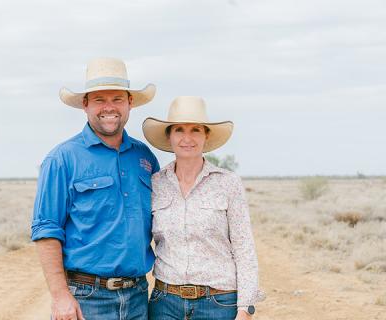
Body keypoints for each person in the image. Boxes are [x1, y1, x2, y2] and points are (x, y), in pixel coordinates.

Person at [31, 57, 160, 320]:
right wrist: (60, 296)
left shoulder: (144, 157)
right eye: (100, 100)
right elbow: (46, 231)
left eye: (117, 99)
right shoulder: (62, 159)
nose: (109, 107)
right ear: (85, 105)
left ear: (129, 103)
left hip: (137, 296)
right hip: (86, 299)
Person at [142, 96, 263, 320]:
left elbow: (244, 249)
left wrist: (246, 308)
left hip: (219, 303)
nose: (187, 138)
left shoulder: (228, 183)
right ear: (169, 136)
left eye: (195, 130)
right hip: (165, 303)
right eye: (179, 129)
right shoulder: (155, 184)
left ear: (206, 135)